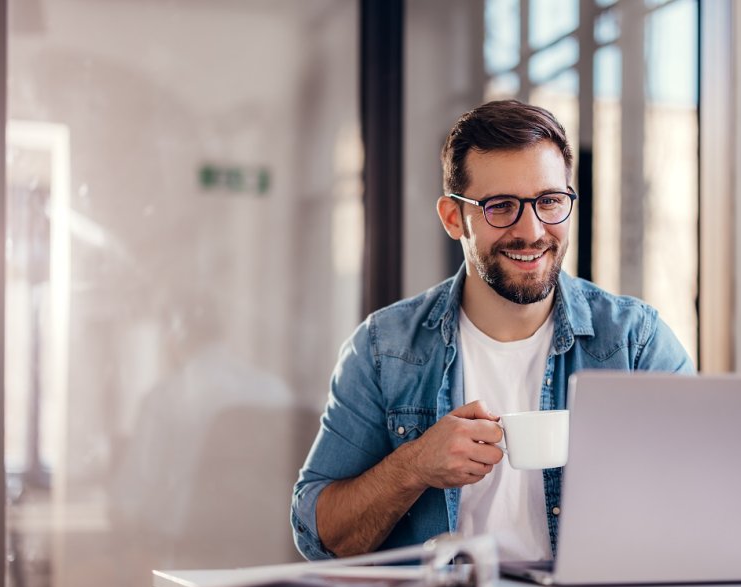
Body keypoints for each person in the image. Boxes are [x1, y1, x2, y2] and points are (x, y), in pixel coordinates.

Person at [292, 100, 693, 562]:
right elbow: (321, 537)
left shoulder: (634, 342)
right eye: (501, 206)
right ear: (451, 217)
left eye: (550, 201)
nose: (532, 230)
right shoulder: (385, 348)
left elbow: (706, 498)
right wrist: (416, 464)